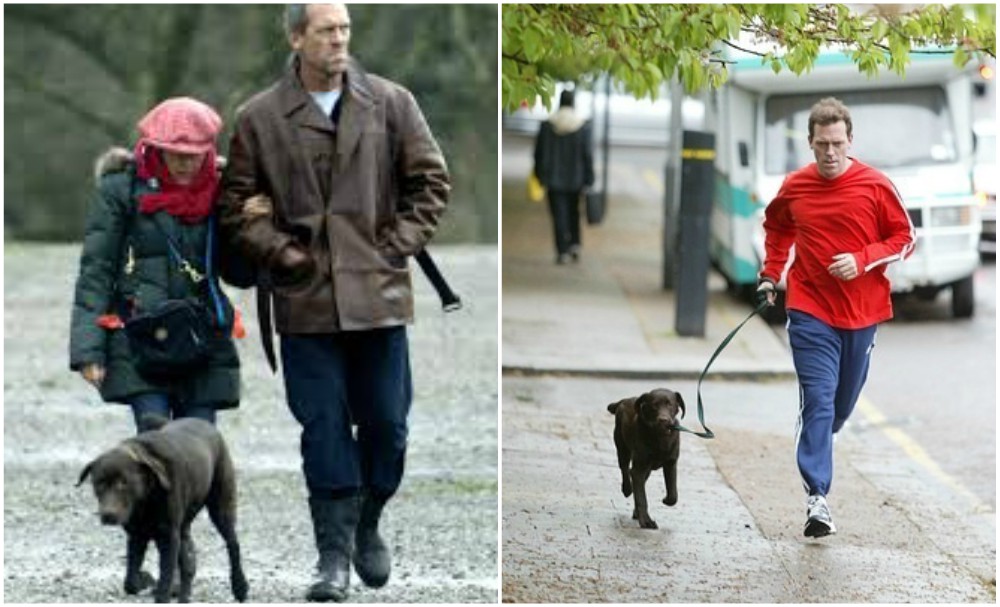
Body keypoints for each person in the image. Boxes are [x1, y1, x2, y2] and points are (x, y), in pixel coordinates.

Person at [218, 4, 449, 602]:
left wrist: (396, 244)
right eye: (326, 30)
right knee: (322, 430)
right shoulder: (259, 117)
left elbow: (431, 182)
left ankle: (369, 519)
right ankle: (333, 558)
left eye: (344, 29)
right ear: (297, 39)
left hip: (380, 298)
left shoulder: (392, 103)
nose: (339, 39)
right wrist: (281, 253)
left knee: (389, 427)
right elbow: (235, 205)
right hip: (304, 305)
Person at [756, 97, 915, 538]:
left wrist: (863, 260)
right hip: (809, 307)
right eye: (822, 144)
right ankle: (817, 496)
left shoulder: (875, 186)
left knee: (841, 405)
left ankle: (824, 434)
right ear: (810, 142)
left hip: (862, 311)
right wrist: (771, 274)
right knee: (820, 399)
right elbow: (778, 227)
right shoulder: (796, 186)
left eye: (837, 143)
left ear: (850, 141)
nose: (830, 152)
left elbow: (905, 238)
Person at [69, 97, 241, 434]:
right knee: (156, 445)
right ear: (153, 147)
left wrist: (246, 214)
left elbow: (240, 271)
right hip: (138, 336)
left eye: (194, 155)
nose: (185, 163)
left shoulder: (223, 191)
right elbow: (96, 272)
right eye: (175, 153)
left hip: (203, 337)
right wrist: (89, 351)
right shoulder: (119, 190)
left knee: (199, 447)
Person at [533, 89, 595, 264]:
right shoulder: (581, 126)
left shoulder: (548, 125)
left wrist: (539, 174)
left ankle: (562, 250)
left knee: (558, 214)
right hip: (576, 178)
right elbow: (587, 154)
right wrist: (589, 177)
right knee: (574, 212)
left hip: (553, 179)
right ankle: (574, 243)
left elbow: (539, 152)